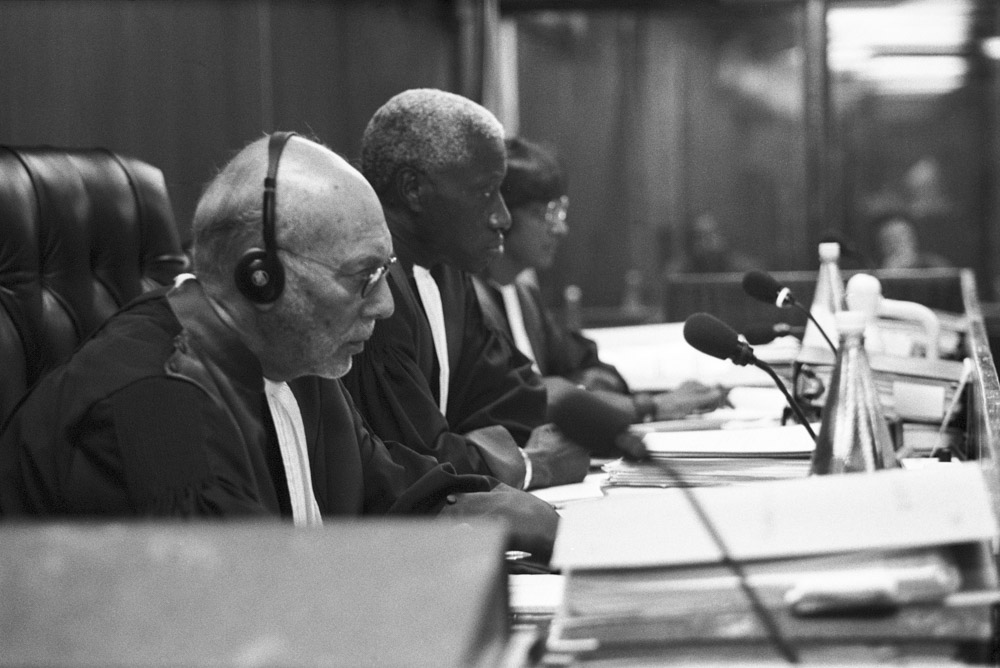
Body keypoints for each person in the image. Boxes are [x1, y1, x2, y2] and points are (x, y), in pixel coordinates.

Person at [0, 133, 557, 559]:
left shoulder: (295, 360)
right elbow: (239, 611)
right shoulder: (158, 405)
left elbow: (394, 494)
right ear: (260, 277)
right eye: (364, 277)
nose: (386, 304)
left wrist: (534, 521)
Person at [341, 89, 591, 492]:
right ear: (413, 189)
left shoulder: (448, 271)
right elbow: (413, 459)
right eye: (485, 192)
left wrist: (601, 420)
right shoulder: (374, 294)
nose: (502, 217)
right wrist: (532, 466)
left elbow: (503, 396)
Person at [474, 136, 726, 423]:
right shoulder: (471, 302)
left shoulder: (523, 295)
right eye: (543, 214)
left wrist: (578, 390)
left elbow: (588, 364)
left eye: (559, 211)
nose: (560, 229)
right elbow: (522, 398)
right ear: (500, 213)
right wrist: (647, 406)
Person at [873, 211, 951, 270]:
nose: (895, 244)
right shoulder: (874, 272)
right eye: (888, 239)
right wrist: (888, 273)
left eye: (900, 237)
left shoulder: (935, 265)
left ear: (913, 239)